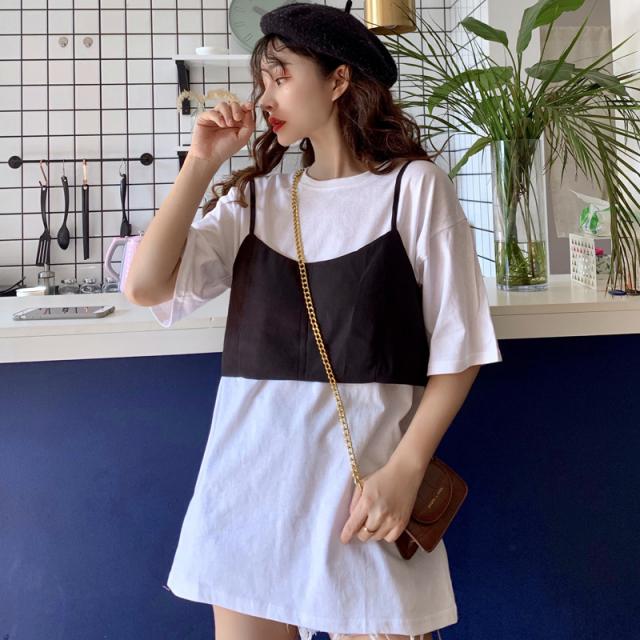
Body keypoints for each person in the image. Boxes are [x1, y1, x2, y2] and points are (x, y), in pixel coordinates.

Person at [124, 2, 503, 640]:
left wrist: (407, 470)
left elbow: (459, 353)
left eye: (280, 77)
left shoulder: (413, 189)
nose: (263, 98)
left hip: (364, 500)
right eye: (261, 82)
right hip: (248, 495)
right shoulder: (258, 199)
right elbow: (146, 286)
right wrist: (201, 162)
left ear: (338, 80)